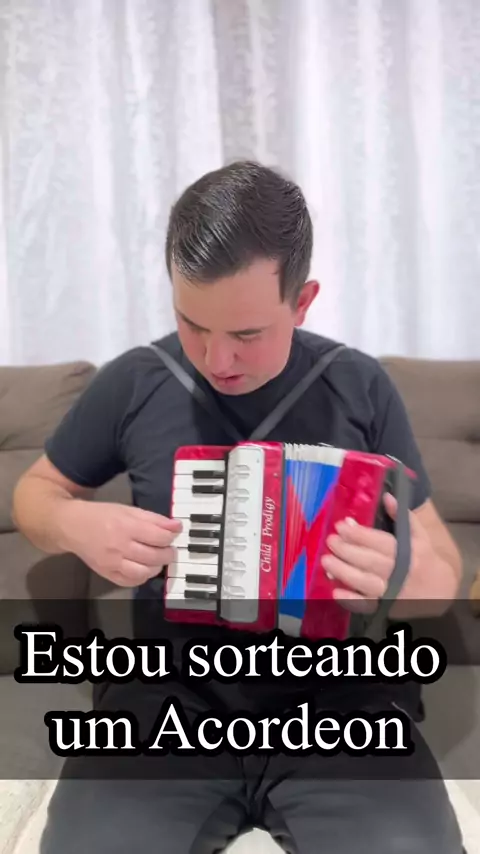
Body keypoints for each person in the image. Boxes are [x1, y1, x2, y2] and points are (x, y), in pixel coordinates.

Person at [13, 160, 464, 854]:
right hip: (168, 702)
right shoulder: (135, 381)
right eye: (192, 323)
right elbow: (34, 494)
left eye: (247, 334)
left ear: (303, 301)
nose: (216, 358)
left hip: (339, 701)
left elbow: (441, 565)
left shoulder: (359, 385)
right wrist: (73, 523)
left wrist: (410, 579)